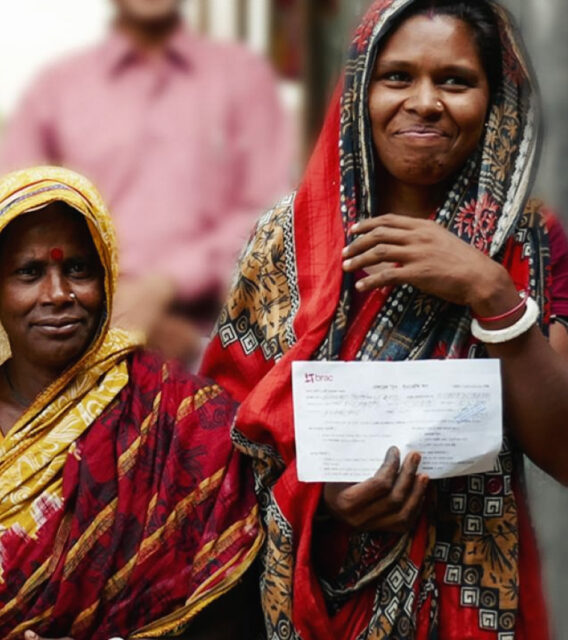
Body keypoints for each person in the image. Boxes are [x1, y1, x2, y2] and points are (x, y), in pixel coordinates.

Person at [200, 0, 568, 637]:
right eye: (397, 77)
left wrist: (490, 291)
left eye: (455, 80)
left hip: (473, 599)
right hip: (319, 601)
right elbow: (226, 443)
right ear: (357, 93)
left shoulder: (528, 242)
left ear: (496, 99)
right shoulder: (288, 241)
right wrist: (326, 502)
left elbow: (563, 450)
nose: (424, 102)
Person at [0, 167, 263, 639]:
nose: (59, 294)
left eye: (78, 269)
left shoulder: (178, 413)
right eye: (29, 273)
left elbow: (228, 588)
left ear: (104, 280)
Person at [0, 0, 292, 362]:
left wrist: (164, 286)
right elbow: (16, 220)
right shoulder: (54, 91)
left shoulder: (243, 78)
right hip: (79, 339)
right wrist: (110, 312)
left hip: (217, 343)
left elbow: (268, 213)